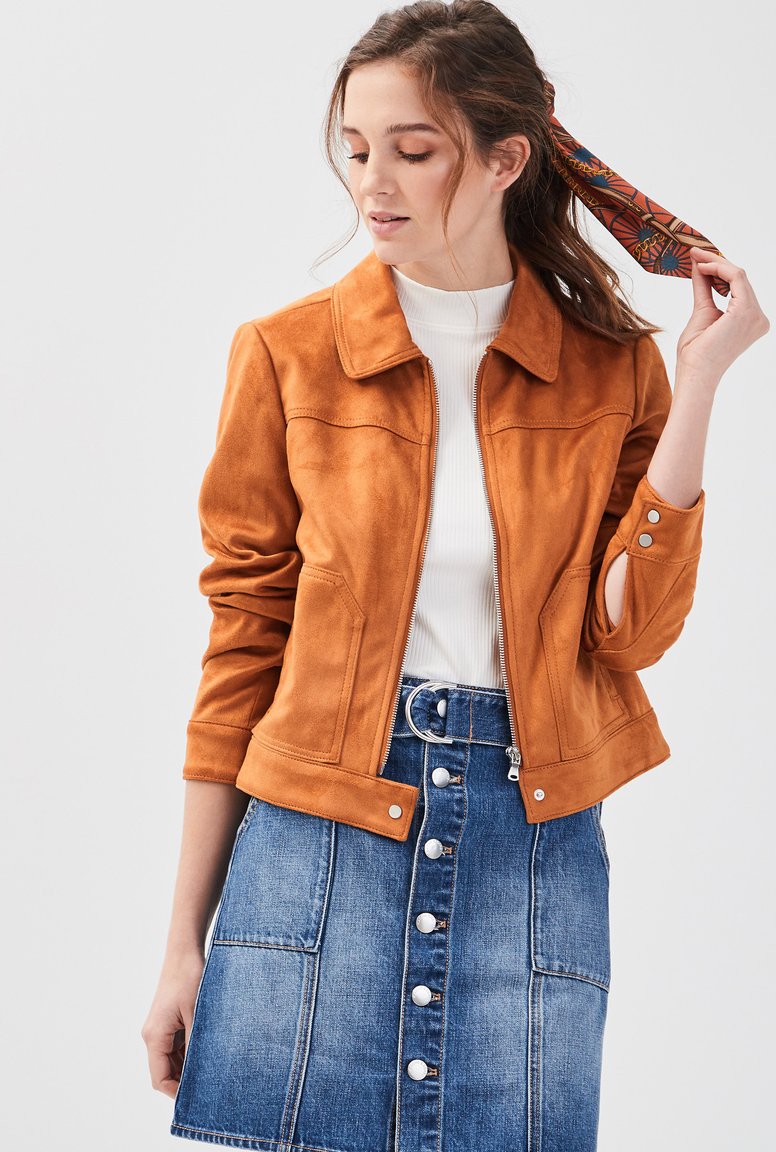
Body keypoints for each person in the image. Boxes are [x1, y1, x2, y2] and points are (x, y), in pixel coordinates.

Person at [141, 3, 769, 1149]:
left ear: (502, 159)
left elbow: (626, 637)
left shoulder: (612, 369)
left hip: (530, 843)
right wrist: (183, 943)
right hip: (317, 832)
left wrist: (697, 385)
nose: (372, 183)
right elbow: (241, 646)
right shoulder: (286, 354)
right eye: (354, 148)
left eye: (412, 150)